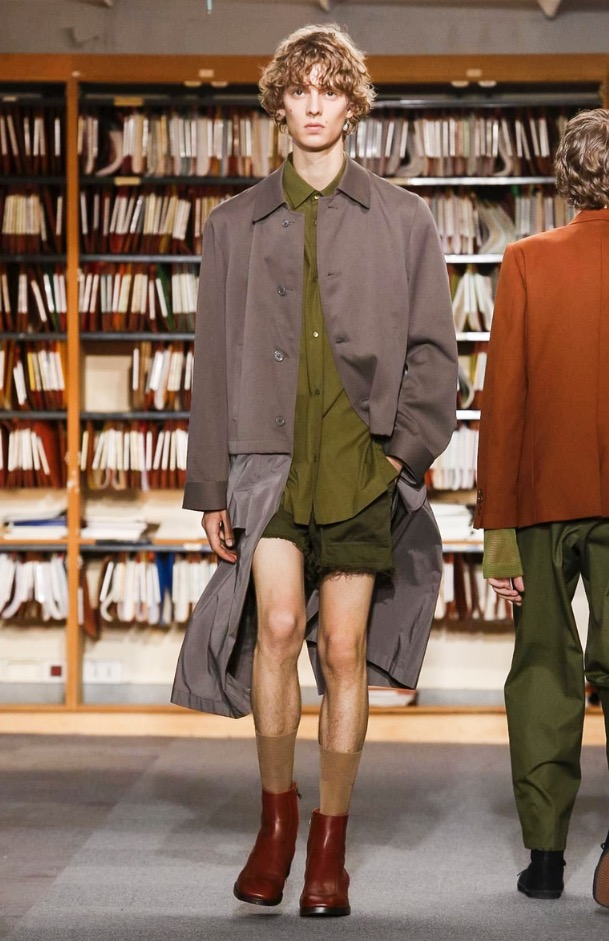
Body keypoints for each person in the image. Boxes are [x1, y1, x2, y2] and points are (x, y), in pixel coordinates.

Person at [172, 23, 457, 917]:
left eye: (329, 89)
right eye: (298, 89)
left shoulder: (403, 220)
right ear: (279, 102)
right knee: (277, 626)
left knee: (341, 650)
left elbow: (433, 351)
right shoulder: (234, 223)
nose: (313, 106)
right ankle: (276, 825)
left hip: (360, 465)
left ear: (352, 103)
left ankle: (329, 845)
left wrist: (401, 453)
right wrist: (209, 485)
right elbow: (212, 359)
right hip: (264, 464)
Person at [474, 108, 609, 906]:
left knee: (541, 675)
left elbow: (503, 401)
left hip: (539, 501)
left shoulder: (524, 260)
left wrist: (497, 530)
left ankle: (546, 856)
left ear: (564, 179)